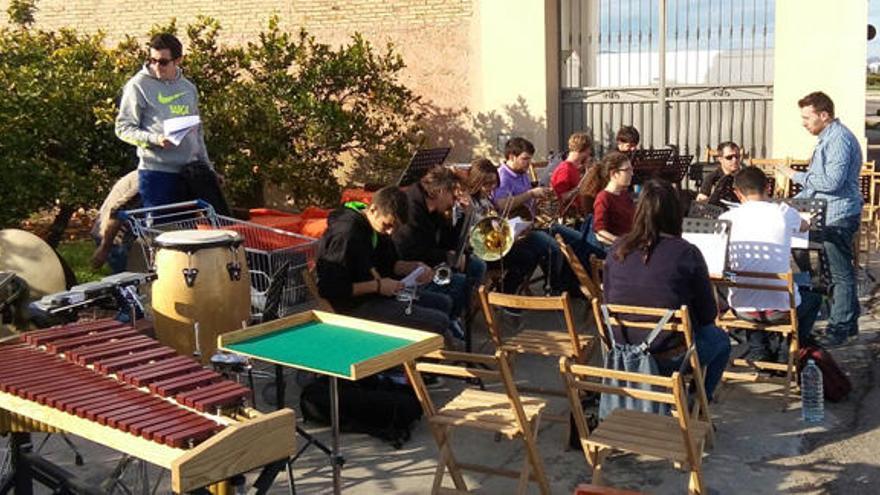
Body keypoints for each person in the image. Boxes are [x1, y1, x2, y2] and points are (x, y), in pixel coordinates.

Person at [603, 179, 730, 401]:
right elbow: (708, 315)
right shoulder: (686, 252)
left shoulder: (617, 248)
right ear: (676, 212)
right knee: (720, 340)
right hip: (668, 354)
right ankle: (698, 401)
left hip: (624, 350)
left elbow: (608, 298)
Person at [779, 91, 863, 346]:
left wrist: (795, 175)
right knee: (828, 271)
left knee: (839, 274)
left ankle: (839, 328)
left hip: (838, 215)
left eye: (807, 117)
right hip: (827, 213)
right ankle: (847, 322)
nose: (804, 123)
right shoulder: (828, 138)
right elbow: (817, 186)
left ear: (824, 115)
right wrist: (789, 203)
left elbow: (832, 182)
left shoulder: (838, 139)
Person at [316, 186, 452, 335]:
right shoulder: (345, 234)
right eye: (387, 225)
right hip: (353, 306)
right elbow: (330, 289)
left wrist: (413, 267)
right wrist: (378, 286)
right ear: (373, 209)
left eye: (395, 227)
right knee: (439, 321)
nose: (390, 232)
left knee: (443, 303)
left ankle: (442, 345)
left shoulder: (375, 227)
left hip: (377, 294)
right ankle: (424, 352)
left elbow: (388, 264)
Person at [719, 166, 822, 361]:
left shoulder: (726, 219)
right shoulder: (783, 211)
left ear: (737, 193)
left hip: (742, 308)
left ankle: (759, 353)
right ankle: (787, 352)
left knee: (746, 283)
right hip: (780, 309)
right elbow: (805, 225)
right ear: (768, 187)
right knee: (813, 299)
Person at [115, 33, 215, 209]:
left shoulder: (188, 88)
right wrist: (156, 139)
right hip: (156, 174)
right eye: (152, 60)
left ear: (178, 61)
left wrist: (208, 168)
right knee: (161, 231)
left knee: (188, 233)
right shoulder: (138, 85)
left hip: (188, 174)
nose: (156, 66)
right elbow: (123, 128)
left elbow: (197, 134)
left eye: (162, 62)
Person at [392, 166, 480, 329]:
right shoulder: (411, 208)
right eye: (452, 196)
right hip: (409, 270)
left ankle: (453, 319)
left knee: (476, 266)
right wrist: (447, 257)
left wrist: (464, 215)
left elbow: (448, 242)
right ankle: (448, 323)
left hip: (428, 260)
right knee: (460, 282)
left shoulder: (434, 207)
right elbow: (410, 252)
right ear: (440, 191)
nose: (454, 201)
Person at [467, 158, 559, 294]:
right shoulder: (469, 202)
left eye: (494, 183)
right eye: (487, 184)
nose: (492, 187)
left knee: (536, 250)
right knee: (526, 257)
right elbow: (475, 232)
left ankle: (508, 292)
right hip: (482, 252)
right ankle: (506, 293)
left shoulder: (485, 198)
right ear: (476, 182)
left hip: (496, 245)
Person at [491, 137, 567, 293]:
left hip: (528, 225)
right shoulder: (503, 176)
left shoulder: (522, 172)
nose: (528, 163)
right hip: (513, 232)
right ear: (512, 156)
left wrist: (541, 199)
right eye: (525, 159)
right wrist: (531, 194)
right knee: (552, 248)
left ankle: (560, 286)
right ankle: (554, 290)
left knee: (564, 237)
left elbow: (528, 200)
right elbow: (501, 204)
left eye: (530, 159)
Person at [91, 171, 141, 273]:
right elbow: (118, 211)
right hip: (113, 233)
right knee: (128, 279)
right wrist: (104, 249)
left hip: (127, 231)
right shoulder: (146, 181)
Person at [590, 152, 636, 247]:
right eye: (627, 170)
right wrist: (622, 243)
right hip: (619, 251)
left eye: (631, 169)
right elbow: (600, 233)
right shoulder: (603, 198)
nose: (632, 173)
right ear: (614, 173)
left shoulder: (624, 195)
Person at [551, 132, 593, 217]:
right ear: (584, 150)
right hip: (570, 218)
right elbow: (562, 198)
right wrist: (582, 183)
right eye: (589, 149)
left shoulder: (573, 167)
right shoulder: (565, 170)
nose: (590, 153)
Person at [696, 141, 742, 207]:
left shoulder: (745, 177)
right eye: (729, 157)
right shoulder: (711, 178)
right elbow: (700, 204)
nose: (734, 160)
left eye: (737, 156)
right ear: (720, 159)